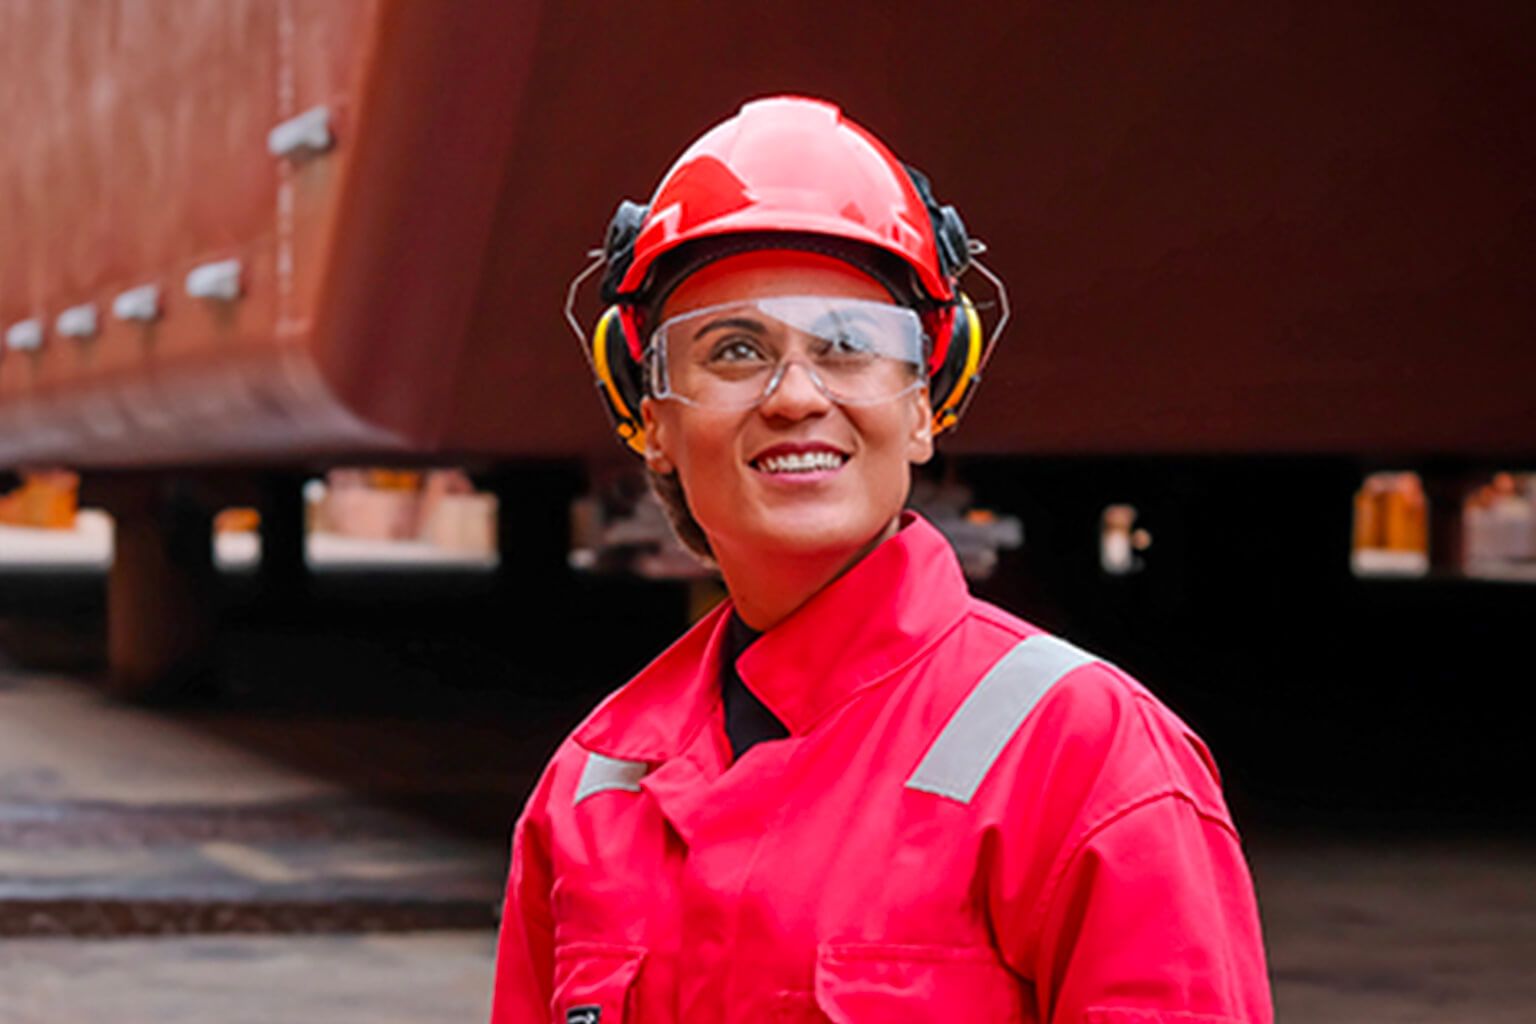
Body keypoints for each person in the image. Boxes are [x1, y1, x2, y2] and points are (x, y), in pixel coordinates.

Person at [492, 96, 1272, 1023]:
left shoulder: (1086, 755)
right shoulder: (590, 787)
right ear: (650, 417)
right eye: (734, 349)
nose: (793, 397)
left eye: (852, 346)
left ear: (925, 404)